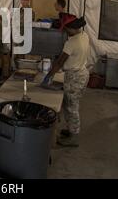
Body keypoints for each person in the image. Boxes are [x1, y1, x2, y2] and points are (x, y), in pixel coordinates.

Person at [42, 14, 90, 147]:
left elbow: (59, 62)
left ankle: (74, 137)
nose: (65, 31)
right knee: (69, 104)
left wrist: (48, 77)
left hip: (74, 76)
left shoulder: (71, 42)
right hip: (82, 74)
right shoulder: (84, 36)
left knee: (72, 107)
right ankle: (70, 130)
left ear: (72, 28)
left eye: (66, 29)